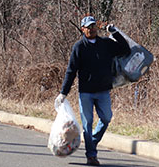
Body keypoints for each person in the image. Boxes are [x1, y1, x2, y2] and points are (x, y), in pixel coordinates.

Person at [55, 16, 131, 166]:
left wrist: (115, 33)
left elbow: (125, 48)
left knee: (107, 118)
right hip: (86, 92)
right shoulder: (79, 47)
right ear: (83, 29)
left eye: (94, 26)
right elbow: (71, 71)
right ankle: (91, 156)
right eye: (88, 27)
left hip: (103, 90)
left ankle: (92, 143)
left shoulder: (105, 44)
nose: (92, 29)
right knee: (87, 123)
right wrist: (63, 92)